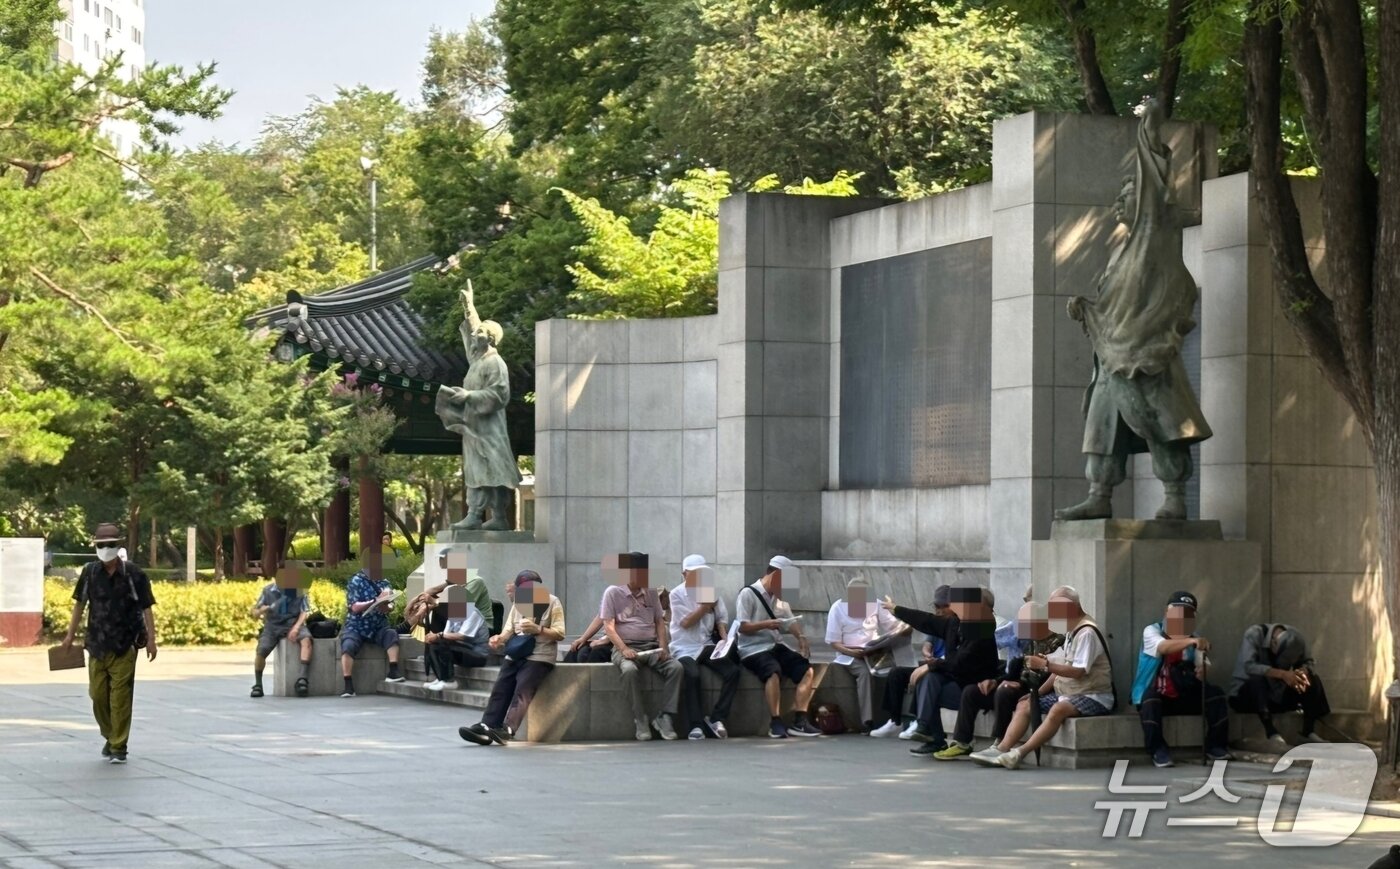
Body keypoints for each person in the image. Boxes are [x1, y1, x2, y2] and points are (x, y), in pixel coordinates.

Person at [972, 585, 1114, 770]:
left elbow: (1078, 671)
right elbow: (1059, 669)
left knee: (1058, 709)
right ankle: (1001, 748)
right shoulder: (1072, 630)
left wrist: (1045, 665)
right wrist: (1037, 693)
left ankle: (1019, 753)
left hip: (1094, 695)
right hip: (1070, 692)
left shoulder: (1087, 632)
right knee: (1026, 703)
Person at [60, 523, 157, 764]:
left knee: (121, 698)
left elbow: (147, 607)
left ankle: (119, 746)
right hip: (97, 644)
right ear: (96, 547)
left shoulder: (135, 574)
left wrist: (152, 640)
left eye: (111, 545)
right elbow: (79, 605)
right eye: (102, 545)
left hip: (125, 644)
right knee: (97, 695)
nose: (106, 549)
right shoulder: (90, 572)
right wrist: (70, 636)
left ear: (119, 546)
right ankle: (110, 734)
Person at [435, 279, 523, 530]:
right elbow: (472, 329)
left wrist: (469, 396)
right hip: (474, 426)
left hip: (490, 428)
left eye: (483, 332)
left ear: (492, 339)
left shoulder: (496, 363)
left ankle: (497, 516)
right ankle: (475, 513)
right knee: (476, 470)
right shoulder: (477, 359)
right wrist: (469, 306)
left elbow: (499, 395)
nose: (477, 334)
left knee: (492, 469)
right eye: (479, 332)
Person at [934, 600, 1064, 760]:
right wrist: (996, 680)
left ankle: (999, 741)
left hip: (1037, 689)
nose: (1020, 628)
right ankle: (962, 742)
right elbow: (1016, 667)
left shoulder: (1058, 642)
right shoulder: (1031, 641)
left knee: (1005, 691)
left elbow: (1051, 673)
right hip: (1019, 684)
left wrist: (1018, 683)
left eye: (1024, 623)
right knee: (972, 691)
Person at [885, 586, 1000, 755]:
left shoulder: (983, 630)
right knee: (929, 679)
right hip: (958, 682)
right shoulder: (955, 623)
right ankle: (928, 732)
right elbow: (927, 620)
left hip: (976, 688)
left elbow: (961, 663)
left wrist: (931, 665)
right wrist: (896, 609)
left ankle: (930, 732)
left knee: (930, 678)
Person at [460, 570, 565, 745]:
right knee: (501, 686)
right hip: (517, 653)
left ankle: (507, 729)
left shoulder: (552, 602)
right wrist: (498, 639)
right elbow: (509, 629)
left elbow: (560, 633)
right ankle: (487, 726)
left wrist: (538, 629)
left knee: (523, 689)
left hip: (540, 655)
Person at [1132, 591, 1230, 766]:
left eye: (1187, 614)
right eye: (1177, 612)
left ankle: (1215, 746)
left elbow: (1203, 663)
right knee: (1150, 701)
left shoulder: (1194, 638)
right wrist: (1192, 642)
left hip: (1184, 693)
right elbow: (1162, 648)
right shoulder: (1152, 631)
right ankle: (1158, 750)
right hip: (1157, 694)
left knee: (1216, 694)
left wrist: (1202, 670)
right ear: (1167, 612)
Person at [600, 552, 684, 741]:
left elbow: (659, 622)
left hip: (651, 646)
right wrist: (624, 649)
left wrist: (664, 647)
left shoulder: (651, 591)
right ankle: (640, 719)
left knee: (676, 668)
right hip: (626, 647)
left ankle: (665, 717)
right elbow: (608, 626)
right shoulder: (613, 592)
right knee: (629, 670)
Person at [735, 555, 820, 738]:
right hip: (752, 648)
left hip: (775, 644)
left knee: (806, 670)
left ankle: (800, 721)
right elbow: (742, 627)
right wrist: (766, 624)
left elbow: (790, 621)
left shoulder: (780, 598)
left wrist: (801, 637)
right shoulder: (748, 593)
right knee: (773, 671)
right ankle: (775, 721)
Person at [668, 554, 741, 740]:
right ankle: (696, 725)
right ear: (684, 575)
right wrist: (704, 606)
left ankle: (717, 718)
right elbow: (685, 623)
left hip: (706, 645)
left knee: (732, 672)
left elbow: (721, 618)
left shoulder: (711, 590)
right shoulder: (676, 594)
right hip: (683, 647)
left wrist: (724, 639)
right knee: (692, 675)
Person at [871, 585, 955, 738]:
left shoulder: (961, 624)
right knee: (896, 672)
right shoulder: (939, 622)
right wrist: (927, 653)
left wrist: (931, 665)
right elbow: (924, 623)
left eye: (945, 607)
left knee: (926, 677)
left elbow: (960, 655)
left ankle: (920, 720)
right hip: (936, 664)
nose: (940, 611)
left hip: (950, 669)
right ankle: (894, 721)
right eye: (937, 606)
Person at [1228, 622, 1331, 745]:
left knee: (1312, 679)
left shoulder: (1297, 638)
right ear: (1274, 643)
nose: (1283, 665)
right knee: (1257, 679)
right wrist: (1282, 674)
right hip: (1248, 696)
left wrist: (1303, 671)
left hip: (1276, 695)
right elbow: (1249, 666)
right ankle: (1271, 732)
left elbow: (1308, 661)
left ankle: (1308, 731)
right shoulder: (1254, 634)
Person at [827, 577, 907, 732]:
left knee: (897, 671)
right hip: (849, 654)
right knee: (865, 674)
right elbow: (833, 642)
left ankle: (896, 719)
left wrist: (902, 624)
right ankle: (867, 720)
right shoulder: (837, 608)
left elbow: (894, 626)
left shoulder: (875, 604)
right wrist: (852, 652)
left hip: (874, 651)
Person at [340, 560, 405, 697]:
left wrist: (386, 606)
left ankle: (393, 671)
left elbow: (391, 607)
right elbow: (354, 607)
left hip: (378, 624)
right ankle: (348, 685)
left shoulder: (384, 582)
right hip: (357, 625)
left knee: (391, 635)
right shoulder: (356, 581)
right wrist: (374, 601)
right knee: (348, 645)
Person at [249, 566, 313, 698]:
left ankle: (302, 679)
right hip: (273, 625)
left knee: (306, 639)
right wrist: (262, 610)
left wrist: (296, 627)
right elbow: (254, 612)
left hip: (292, 623)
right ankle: (258, 685)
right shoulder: (267, 591)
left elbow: (304, 611)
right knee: (262, 650)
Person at [423, 585, 490, 691]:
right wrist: (434, 637)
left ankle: (449, 681)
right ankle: (441, 678)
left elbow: (462, 636)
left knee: (442, 642)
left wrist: (439, 636)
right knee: (434, 643)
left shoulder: (472, 613)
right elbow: (446, 634)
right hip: (463, 649)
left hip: (477, 655)